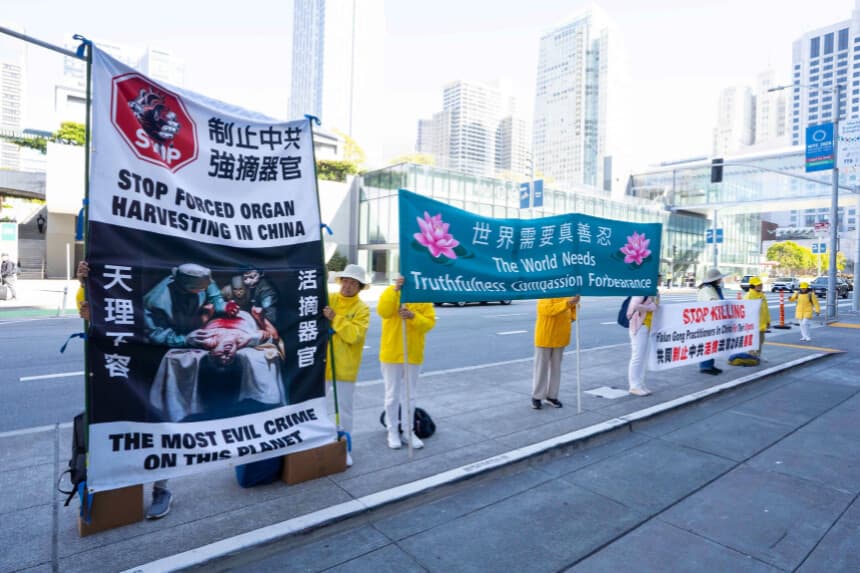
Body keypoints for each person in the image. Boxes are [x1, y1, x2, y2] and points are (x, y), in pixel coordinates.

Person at [378, 276, 436, 450]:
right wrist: (395, 291)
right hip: (391, 353)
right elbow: (383, 311)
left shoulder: (422, 297)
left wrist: (413, 316)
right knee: (391, 396)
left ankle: (408, 432)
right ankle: (392, 431)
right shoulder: (390, 291)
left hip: (413, 354)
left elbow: (429, 324)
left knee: (410, 395)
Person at [322, 264, 370, 466]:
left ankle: (345, 448)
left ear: (359, 288)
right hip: (322, 366)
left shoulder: (362, 309)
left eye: (353, 283)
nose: (348, 286)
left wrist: (336, 319)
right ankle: (322, 443)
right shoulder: (330, 299)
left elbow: (354, 336)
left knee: (344, 410)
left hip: (345, 368)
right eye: (346, 281)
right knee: (320, 407)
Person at [531, 295, 580, 409]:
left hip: (561, 336)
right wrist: (568, 303)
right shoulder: (547, 291)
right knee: (541, 368)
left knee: (556, 368)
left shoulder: (568, 293)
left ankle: (552, 396)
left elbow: (574, 309)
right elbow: (546, 310)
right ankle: (537, 396)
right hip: (545, 336)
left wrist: (572, 315)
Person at [627, 290, 659, 396]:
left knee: (643, 357)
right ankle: (634, 386)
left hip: (648, 326)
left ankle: (640, 384)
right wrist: (650, 307)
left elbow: (656, 307)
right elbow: (632, 308)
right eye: (658, 277)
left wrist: (653, 305)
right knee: (637, 356)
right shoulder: (641, 291)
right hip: (639, 326)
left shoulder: (655, 292)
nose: (660, 280)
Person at [698, 268, 727, 375]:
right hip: (707, 321)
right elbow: (711, 302)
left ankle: (710, 365)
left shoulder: (714, 288)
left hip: (714, 320)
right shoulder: (706, 289)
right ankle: (705, 366)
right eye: (719, 278)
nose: (720, 280)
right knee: (708, 344)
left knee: (712, 344)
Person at [745, 276, 771, 357]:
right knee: (753, 342)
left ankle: (757, 356)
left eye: (761, 284)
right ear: (752, 286)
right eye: (758, 285)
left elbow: (766, 309)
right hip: (754, 325)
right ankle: (752, 357)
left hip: (762, 324)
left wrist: (768, 321)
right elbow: (746, 312)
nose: (760, 286)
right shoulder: (748, 296)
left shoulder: (762, 295)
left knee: (760, 341)